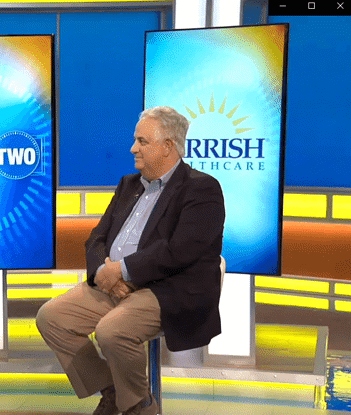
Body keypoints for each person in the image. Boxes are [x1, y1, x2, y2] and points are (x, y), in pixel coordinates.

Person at [36, 106, 225, 415]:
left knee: (112, 331)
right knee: (52, 317)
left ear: (168, 146)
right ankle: (112, 391)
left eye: (142, 141)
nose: (133, 148)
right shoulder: (129, 185)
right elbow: (96, 238)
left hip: (166, 290)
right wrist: (104, 273)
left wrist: (123, 271)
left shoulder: (201, 188)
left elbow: (179, 251)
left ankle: (138, 406)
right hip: (114, 285)